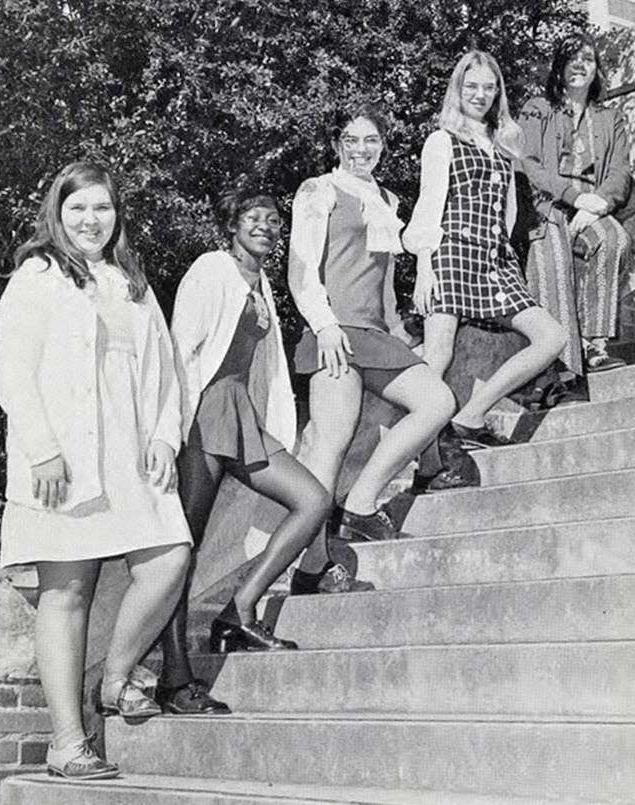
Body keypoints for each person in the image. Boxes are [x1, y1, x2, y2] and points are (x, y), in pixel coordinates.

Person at [0, 162, 194, 780]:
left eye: (101, 209)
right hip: (63, 460)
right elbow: (11, 373)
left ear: (117, 215)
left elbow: (165, 370)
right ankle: (66, 744)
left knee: (170, 556)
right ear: (58, 212)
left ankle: (114, 675)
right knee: (67, 592)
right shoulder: (38, 276)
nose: (90, 221)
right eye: (78, 209)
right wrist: (44, 449)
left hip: (131, 458)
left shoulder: (129, 281)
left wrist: (164, 435)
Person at [162, 183, 335, 666]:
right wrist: (169, 430)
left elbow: (262, 368)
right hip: (203, 414)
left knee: (313, 500)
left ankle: (239, 610)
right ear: (231, 225)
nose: (264, 225)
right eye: (252, 217)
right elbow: (180, 348)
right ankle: (174, 673)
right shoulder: (212, 268)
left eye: (273, 219)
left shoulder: (259, 282)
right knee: (184, 549)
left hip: (241, 414)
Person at [288, 102, 456, 550]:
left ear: (383, 144)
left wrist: (399, 331)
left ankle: (360, 503)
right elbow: (300, 270)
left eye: (372, 140)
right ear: (335, 145)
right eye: (351, 140)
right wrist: (323, 327)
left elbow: (381, 282)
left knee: (437, 401)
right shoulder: (317, 189)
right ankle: (311, 563)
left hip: (376, 335)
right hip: (334, 332)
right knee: (331, 445)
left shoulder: (388, 201)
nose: (362, 150)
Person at [402, 51, 567, 490]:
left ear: (498, 93)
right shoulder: (441, 140)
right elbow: (429, 206)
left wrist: (504, 250)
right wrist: (424, 265)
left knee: (552, 337)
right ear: (458, 89)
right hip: (451, 252)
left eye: (488, 87)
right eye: (471, 86)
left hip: (493, 259)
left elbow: (510, 207)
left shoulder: (503, 140)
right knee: (437, 356)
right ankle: (424, 455)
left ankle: (471, 414)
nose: (480, 95)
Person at [518, 31, 635, 385]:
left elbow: (620, 170)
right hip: (551, 205)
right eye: (571, 58)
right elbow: (528, 164)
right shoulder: (538, 108)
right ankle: (556, 369)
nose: (579, 65)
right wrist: (574, 197)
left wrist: (598, 204)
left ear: (596, 68)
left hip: (593, 206)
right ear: (559, 67)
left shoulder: (609, 117)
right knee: (551, 257)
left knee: (613, 239)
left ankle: (595, 344)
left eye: (587, 58)